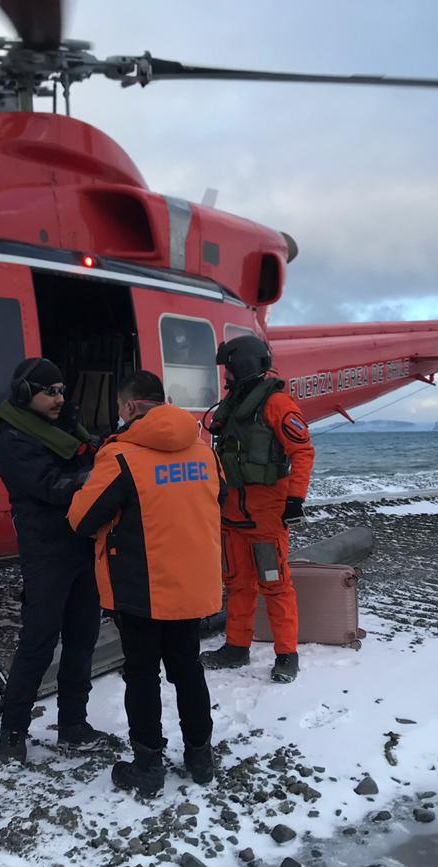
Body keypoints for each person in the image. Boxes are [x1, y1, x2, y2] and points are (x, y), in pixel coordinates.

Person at [68, 371, 223, 796]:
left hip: (141, 587)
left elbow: (82, 520)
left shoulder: (120, 456)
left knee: (142, 675)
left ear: (131, 407)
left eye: (120, 408)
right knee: (188, 669)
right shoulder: (204, 450)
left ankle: (149, 765)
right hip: (192, 582)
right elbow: (219, 498)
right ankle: (200, 757)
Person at [0, 357, 109, 763]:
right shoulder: (14, 440)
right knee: (38, 645)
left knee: (82, 640)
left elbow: (88, 461)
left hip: (81, 545)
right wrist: (100, 477)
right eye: (49, 392)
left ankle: (73, 725)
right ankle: (12, 733)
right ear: (26, 394)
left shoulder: (66, 428)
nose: (59, 398)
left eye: (61, 390)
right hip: (46, 554)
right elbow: (51, 486)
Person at [201, 335, 315, 683]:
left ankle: (286, 654)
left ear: (243, 366)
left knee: (275, 584)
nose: (225, 376)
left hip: (266, 516)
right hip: (232, 514)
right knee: (236, 584)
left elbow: (303, 452)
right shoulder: (234, 405)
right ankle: (236, 647)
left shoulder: (277, 405)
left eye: (228, 369)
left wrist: (295, 499)